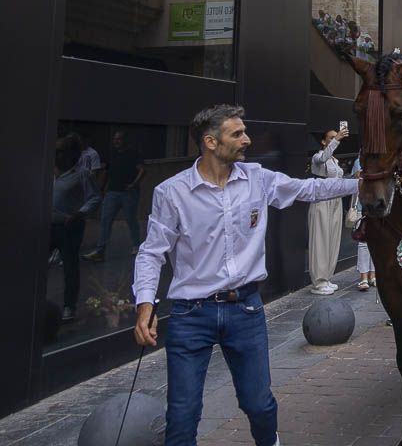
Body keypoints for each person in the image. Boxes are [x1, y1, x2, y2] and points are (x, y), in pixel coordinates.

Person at [132, 104, 358, 446]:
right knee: (182, 416)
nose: (247, 140)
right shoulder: (172, 192)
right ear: (210, 142)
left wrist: (361, 184)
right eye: (237, 133)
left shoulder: (257, 178)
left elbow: (307, 190)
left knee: (259, 404)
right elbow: (151, 252)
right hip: (190, 315)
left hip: (246, 309)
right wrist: (145, 303)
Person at [50, 135, 100, 322]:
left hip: (69, 227)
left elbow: (95, 198)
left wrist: (79, 213)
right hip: (47, 226)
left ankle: (69, 306)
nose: (57, 155)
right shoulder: (52, 174)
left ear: (72, 155)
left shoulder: (81, 175)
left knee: (70, 267)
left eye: (61, 152)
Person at [83, 130, 145, 262]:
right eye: (115, 139)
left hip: (128, 192)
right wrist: (101, 188)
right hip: (112, 192)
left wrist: (134, 184)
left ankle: (136, 246)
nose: (116, 142)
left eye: (119, 139)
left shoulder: (133, 153)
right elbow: (106, 171)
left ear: (125, 140)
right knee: (105, 220)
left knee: (131, 219)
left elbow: (142, 169)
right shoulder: (112, 154)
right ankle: (100, 251)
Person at [308, 126, 348, 295]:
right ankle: (319, 280)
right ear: (324, 141)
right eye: (330, 138)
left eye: (336, 137)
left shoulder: (335, 162)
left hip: (336, 200)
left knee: (332, 238)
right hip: (322, 200)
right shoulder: (318, 157)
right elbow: (322, 158)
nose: (334, 139)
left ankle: (327, 277)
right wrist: (337, 139)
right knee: (320, 239)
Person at [349, 156, 374, 292]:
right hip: (361, 207)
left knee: (376, 242)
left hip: (376, 207)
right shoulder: (359, 161)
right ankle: (363, 277)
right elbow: (358, 178)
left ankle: (373, 275)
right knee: (363, 243)